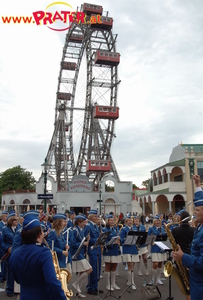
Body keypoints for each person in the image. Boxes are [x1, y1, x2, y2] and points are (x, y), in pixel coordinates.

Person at [10, 215, 67, 300]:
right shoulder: (44, 253)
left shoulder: (15, 253)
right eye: (42, 232)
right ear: (39, 234)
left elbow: (17, 279)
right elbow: (51, 281)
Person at [172, 175, 203, 300]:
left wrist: (183, 257)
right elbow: (200, 201)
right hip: (197, 280)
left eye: (197, 210)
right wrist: (197, 185)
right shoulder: (199, 227)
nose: (194, 212)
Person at [172, 210, 195, 300]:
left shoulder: (175, 230)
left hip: (179, 257)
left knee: (186, 284)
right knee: (191, 281)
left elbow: (173, 243)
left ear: (180, 219)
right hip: (190, 256)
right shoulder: (193, 230)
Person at [71, 214, 92, 297]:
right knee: (89, 269)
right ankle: (76, 283)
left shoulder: (81, 229)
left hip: (81, 252)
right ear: (78, 222)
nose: (85, 224)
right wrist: (83, 243)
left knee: (82, 272)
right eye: (83, 222)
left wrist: (86, 239)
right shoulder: (74, 230)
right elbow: (72, 243)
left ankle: (77, 292)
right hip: (77, 253)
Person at [84, 209, 103, 295]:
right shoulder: (88, 226)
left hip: (97, 249)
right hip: (92, 250)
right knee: (93, 270)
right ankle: (90, 287)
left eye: (97, 216)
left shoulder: (96, 226)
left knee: (97, 269)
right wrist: (97, 239)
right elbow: (87, 238)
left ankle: (95, 286)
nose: (97, 218)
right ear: (91, 217)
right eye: (95, 216)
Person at [119, 214, 139, 290]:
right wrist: (126, 239)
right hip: (127, 248)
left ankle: (130, 280)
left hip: (133, 248)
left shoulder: (134, 229)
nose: (130, 222)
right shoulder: (124, 229)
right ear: (126, 222)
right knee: (130, 265)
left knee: (133, 265)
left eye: (131, 221)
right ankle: (132, 282)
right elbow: (121, 239)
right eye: (128, 221)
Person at [1, 210, 18, 296]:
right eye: (15, 220)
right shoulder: (4, 230)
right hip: (9, 253)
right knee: (10, 271)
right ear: (11, 220)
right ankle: (9, 289)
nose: (16, 221)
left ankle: (16, 288)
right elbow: (1, 242)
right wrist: (7, 248)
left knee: (16, 271)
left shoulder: (18, 229)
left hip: (17, 252)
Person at [103, 214, 121, 291]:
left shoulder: (115, 229)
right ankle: (108, 284)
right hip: (109, 250)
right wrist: (113, 242)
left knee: (114, 266)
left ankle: (113, 283)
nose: (112, 221)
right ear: (107, 221)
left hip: (115, 250)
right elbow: (105, 241)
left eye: (113, 220)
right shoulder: (105, 230)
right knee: (108, 266)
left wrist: (119, 240)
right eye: (110, 220)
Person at [147, 214, 167, 285]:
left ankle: (158, 279)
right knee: (155, 263)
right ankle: (152, 279)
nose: (158, 222)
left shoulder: (162, 228)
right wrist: (152, 241)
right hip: (155, 247)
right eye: (156, 221)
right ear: (154, 221)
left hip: (161, 248)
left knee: (160, 263)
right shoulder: (151, 228)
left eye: (159, 221)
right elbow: (148, 238)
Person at [0, 210, 8, 283]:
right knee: (2, 263)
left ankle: (4, 275)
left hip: (6, 247)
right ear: (2, 217)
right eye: (5, 216)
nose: (6, 217)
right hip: (2, 247)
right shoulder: (0, 225)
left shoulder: (7, 225)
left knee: (5, 263)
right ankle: (1, 276)